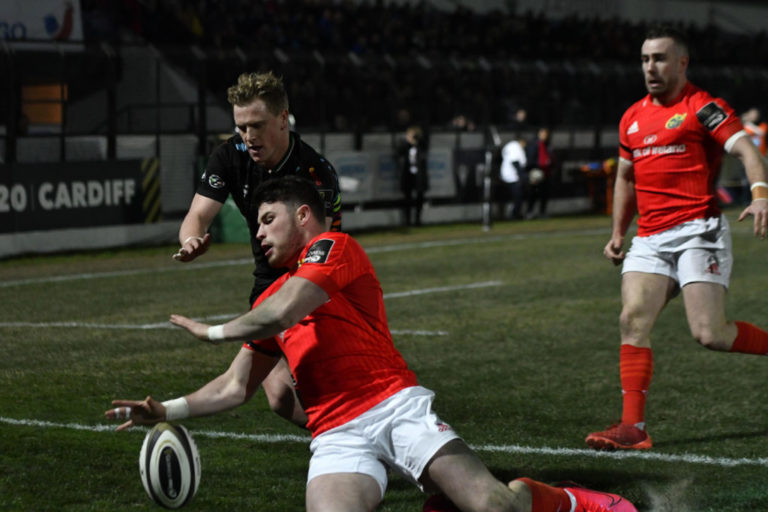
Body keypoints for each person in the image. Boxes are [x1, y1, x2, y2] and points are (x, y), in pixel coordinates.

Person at [106, 176, 637, 512]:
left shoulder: (334, 248)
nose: (260, 233)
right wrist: (166, 408)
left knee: (496, 506)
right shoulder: (270, 294)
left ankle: (570, 500)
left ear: (304, 216)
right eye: (257, 225)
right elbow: (234, 386)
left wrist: (214, 330)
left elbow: (287, 310)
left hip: (394, 406)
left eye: (269, 220)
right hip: (336, 434)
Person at [585, 25, 768, 452]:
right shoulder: (631, 117)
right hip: (649, 237)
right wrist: (617, 232)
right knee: (632, 320)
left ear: (682, 63)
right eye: (646, 59)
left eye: (660, 58)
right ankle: (634, 428)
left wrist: (760, 197)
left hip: (696, 230)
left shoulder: (702, 107)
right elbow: (625, 179)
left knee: (710, 334)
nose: (651, 67)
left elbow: (748, 153)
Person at [172, 71, 342, 428]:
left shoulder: (315, 174)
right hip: (267, 284)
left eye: (257, 125)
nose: (248, 136)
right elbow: (198, 214)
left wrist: (297, 300)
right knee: (280, 397)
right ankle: (347, 437)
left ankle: (358, 436)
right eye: (241, 127)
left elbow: (327, 250)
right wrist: (190, 239)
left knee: (325, 383)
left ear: (283, 119)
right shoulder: (229, 156)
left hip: (309, 286)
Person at [396, 125, 430, 226]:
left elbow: (425, 151)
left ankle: (417, 220)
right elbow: (397, 154)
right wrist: (408, 143)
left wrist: (416, 143)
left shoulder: (421, 145)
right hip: (407, 175)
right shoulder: (404, 145)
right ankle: (407, 220)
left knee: (419, 197)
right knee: (407, 198)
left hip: (419, 175)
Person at [525, 127, 553, 219]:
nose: (545, 136)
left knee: (544, 194)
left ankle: (542, 212)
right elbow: (531, 159)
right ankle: (529, 212)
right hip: (536, 171)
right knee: (533, 193)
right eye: (543, 134)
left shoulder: (547, 144)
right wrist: (532, 171)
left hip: (545, 172)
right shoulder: (534, 144)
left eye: (546, 134)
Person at [498, 134, 527, 220]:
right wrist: (523, 177)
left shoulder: (510, 146)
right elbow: (515, 162)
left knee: (514, 196)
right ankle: (514, 214)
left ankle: (513, 213)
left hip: (506, 174)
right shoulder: (515, 147)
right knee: (518, 196)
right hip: (512, 176)